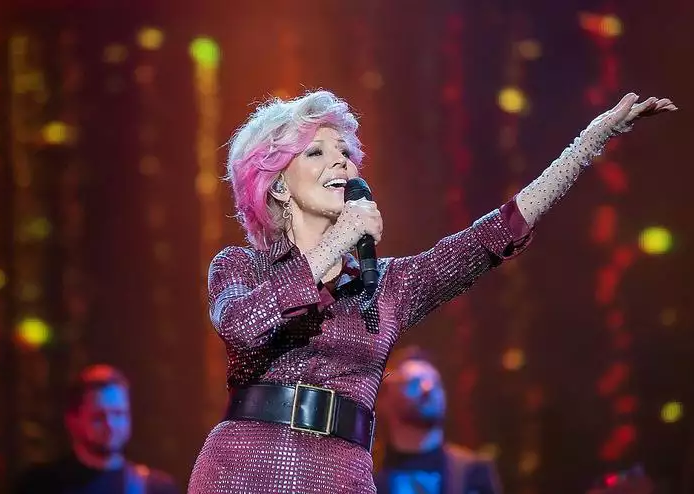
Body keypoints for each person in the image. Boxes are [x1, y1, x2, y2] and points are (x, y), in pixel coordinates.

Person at [187, 89, 675, 494]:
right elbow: (242, 326)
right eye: (316, 151)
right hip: (244, 467)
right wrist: (339, 241)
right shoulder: (241, 266)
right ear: (277, 186)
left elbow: (488, 238)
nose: (341, 160)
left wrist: (587, 144)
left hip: (341, 475)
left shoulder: (386, 285)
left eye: (345, 153)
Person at [15, 364, 179, 494]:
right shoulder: (40, 485)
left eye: (118, 414)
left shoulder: (156, 488)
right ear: (73, 420)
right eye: (99, 417)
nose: (111, 424)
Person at [374, 346, 502, 494]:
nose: (427, 388)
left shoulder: (473, 472)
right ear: (385, 399)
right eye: (414, 383)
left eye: (436, 383)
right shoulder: (364, 473)